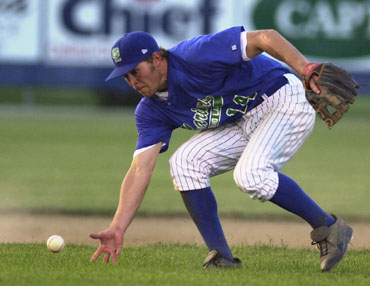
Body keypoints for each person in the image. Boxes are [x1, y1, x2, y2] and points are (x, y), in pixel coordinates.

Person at [89, 26, 353, 272]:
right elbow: (139, 168)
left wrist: (304, 68)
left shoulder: (195, 55)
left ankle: (327, 227)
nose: (132, 81)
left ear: (157, 59)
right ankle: (221, 256)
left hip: (281, 99)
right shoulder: (150, 110)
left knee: (251, 176)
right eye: (125, 76)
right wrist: (118, 227)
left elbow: (265, 37)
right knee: (184, 163)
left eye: (136, 71)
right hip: (240, 119)